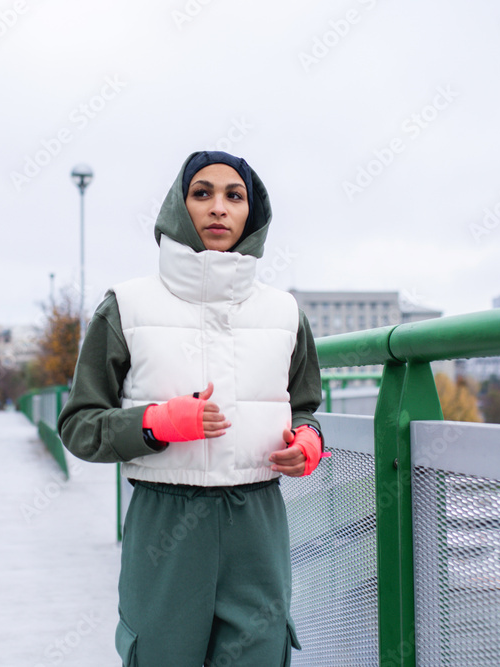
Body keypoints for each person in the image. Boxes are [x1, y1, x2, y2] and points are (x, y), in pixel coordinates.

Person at [57, 150, 326, 666]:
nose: (218, 207)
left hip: (258, 522)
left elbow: (306, 406)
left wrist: (309, 442)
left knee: (261, 657)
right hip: (166, 520)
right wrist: (154, 424)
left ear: (254, 212)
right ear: (179, 208)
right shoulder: (126, 306)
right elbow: (77, 425)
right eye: (201, 193)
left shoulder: (285, 312)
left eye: (234, 195)